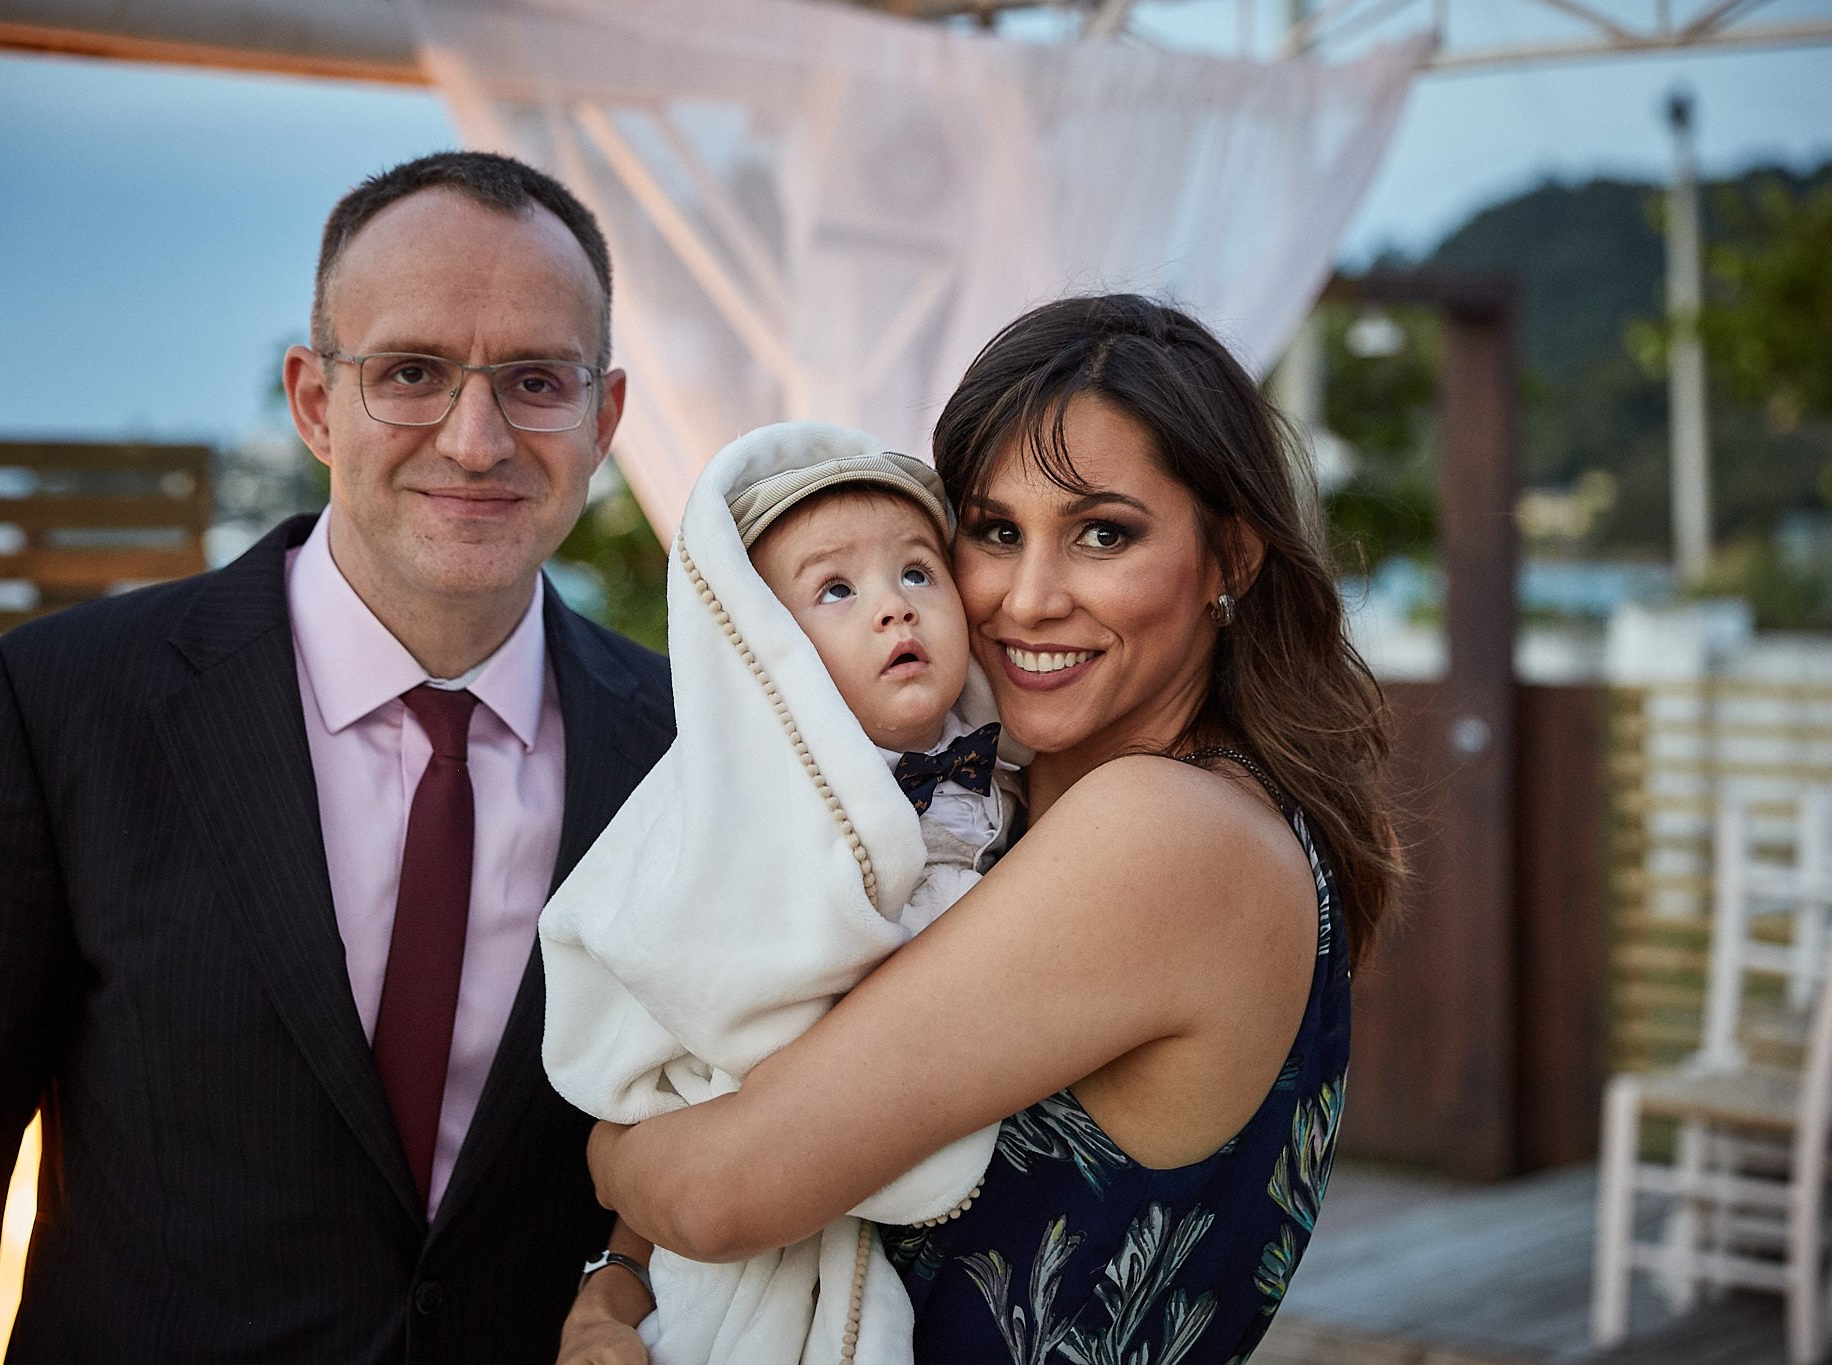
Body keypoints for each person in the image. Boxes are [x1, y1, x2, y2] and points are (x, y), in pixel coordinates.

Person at [0, 151, 673, 1363]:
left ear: (602, 417)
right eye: (411, 373)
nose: (475, 439)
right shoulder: (62, 711)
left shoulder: (683, 753)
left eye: (533, 380)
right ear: (314, 402)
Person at [576, 294, 1401, 1362]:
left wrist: (606, 1145)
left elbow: (725, 1192)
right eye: (992, 532)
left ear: (1231, 558)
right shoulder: (982, 805)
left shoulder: (1166, 831)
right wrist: (619, 1281)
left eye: (1103, 533)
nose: (1026, 597)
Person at [540, 423, 1021, 1364]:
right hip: (744, 1199)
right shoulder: (742, 812)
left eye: (918, 572)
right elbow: (710, 1000)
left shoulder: (1010, 777)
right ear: (766, 649)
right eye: (835, 590)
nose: (895, 609)